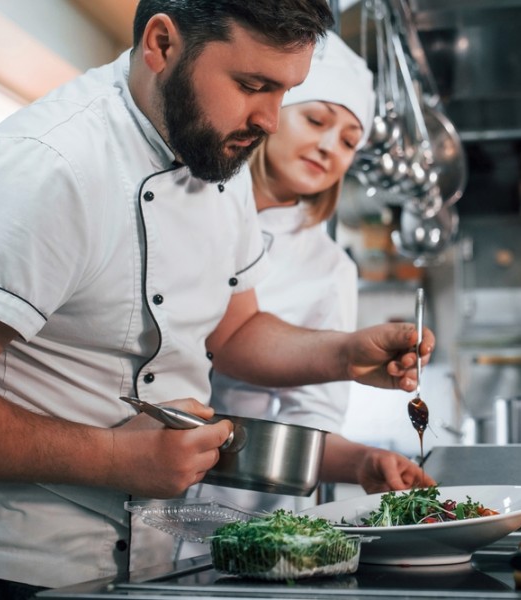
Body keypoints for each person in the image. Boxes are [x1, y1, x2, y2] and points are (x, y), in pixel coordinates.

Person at [0, 1, 434, 596]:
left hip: (151, 562)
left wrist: (344, 354)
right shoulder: (50, 168)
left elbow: (234, 334)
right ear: (161, 44)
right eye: (253, 85)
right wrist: (112, 460)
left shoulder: (217, 154)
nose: (272, 120)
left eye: (286, 91)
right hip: (24, 567)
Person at [186, 32, 434, 522]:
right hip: (121, 481)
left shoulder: (331, 267)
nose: (328, 147)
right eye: (317, 119)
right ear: (272, 116)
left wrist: (361, 460)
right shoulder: (193, 196)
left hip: (236, 506)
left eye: (348, 141)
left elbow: (309, 418)